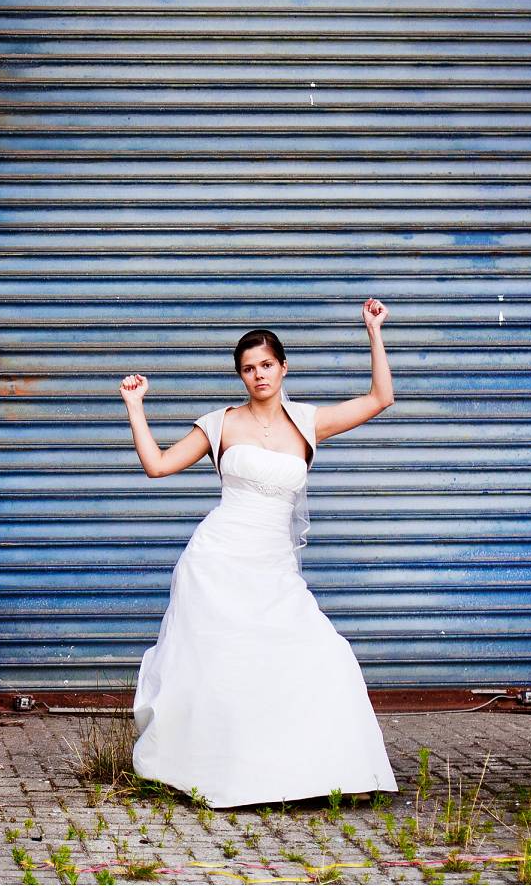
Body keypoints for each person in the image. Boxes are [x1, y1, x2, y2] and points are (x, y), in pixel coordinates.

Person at [117, 299, 398, 807]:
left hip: (273, 566)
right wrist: (136, 409)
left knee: (318, 654)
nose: (258, 375)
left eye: (266, 364)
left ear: (283, 367)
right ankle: (218, 774)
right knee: (224, 667)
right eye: (248, 369)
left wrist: (373, 331)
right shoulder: (219, 424)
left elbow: (381, 397)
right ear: (240, 377)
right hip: (217, 561)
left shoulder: (310, 422)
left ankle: (303, 774)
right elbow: (157, 466)